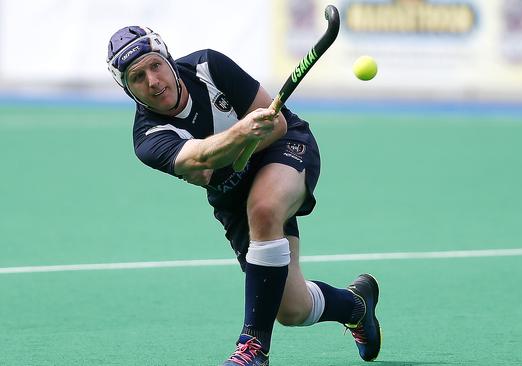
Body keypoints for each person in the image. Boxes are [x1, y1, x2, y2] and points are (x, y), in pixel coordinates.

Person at [106, 26, 381, 365]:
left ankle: (252, 349)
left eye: (155, 65)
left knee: (264, 207)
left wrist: (251, 139)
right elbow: (201, 162)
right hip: (233, 198)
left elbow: (277, 123)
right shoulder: (148, 137)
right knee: (291, 308)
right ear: (127, 89)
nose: (153, 80)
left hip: (285, 149)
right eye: (137, 77)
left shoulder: (209, 67)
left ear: (168, 59)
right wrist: (240, 133)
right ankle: (356, 306)